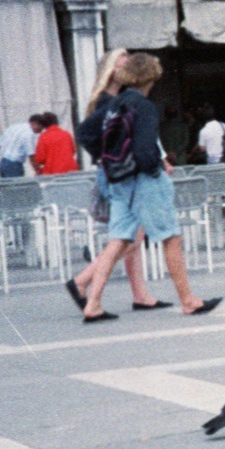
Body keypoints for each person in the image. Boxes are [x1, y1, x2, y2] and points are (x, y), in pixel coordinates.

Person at [78, 53, 222, 321]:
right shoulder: (143, 107)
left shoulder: (114, 103)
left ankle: (93, 302)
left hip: (118, 180)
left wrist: (106, 157)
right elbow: (145, 149)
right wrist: (153, 167)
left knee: (118, 239)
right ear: (152, 77)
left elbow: (85, 132)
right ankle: (188, 300)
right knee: (171, 237)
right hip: (143, 180)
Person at [68, 49, 164, 315]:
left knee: (132, 235)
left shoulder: (120, 98)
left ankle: (140, 294)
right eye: (123, 59)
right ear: (113, 67)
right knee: (128, 237)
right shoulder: (107, 101)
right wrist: (106, 157)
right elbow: (91, 133)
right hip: (121, 173)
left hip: (120, 170)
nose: (129, 63)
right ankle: (82, 281)